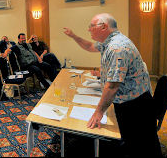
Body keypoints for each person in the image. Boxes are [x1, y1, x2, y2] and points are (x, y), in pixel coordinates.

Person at [63, 13, 161, 157]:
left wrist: (99, 111)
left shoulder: (117, 47)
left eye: (91, 26)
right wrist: (74, 36)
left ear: (103, 27)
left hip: (135, 106)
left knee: (140, 147)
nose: (89, 29)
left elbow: (113, 86)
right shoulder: (109, 41)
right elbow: (90, 46)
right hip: (131, 100)